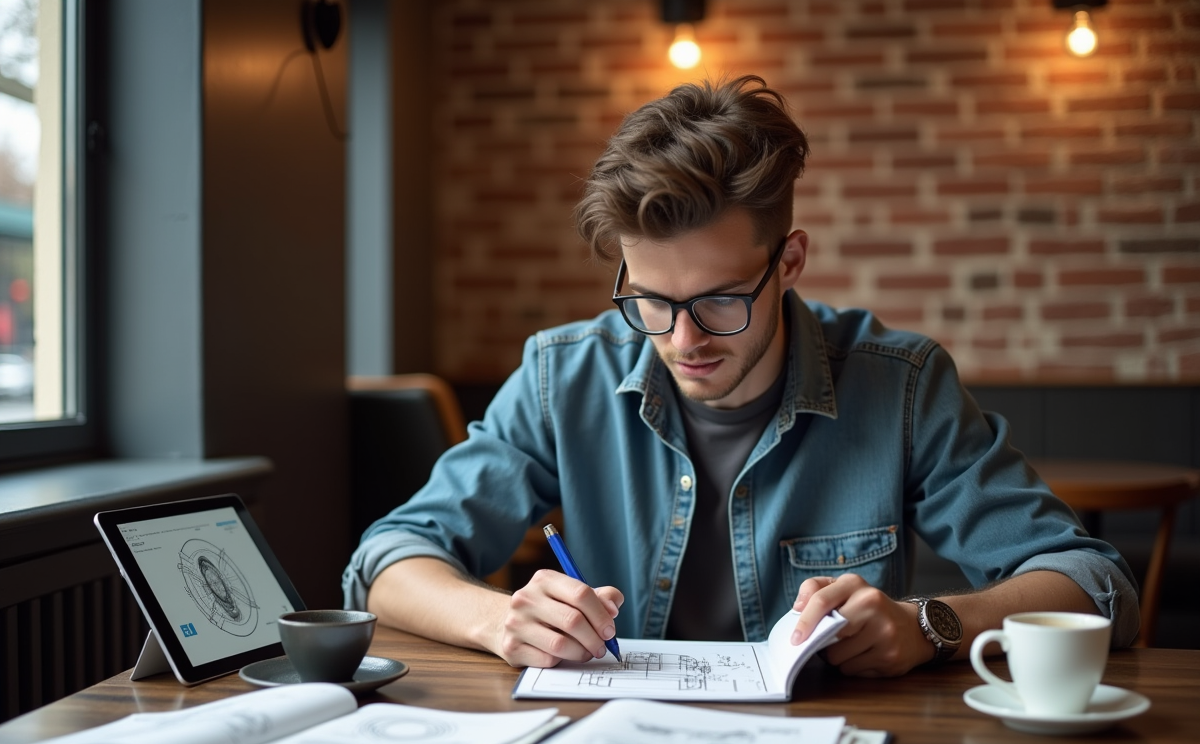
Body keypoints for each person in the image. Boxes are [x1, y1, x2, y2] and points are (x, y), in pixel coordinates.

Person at [343, 75, 1139, 677]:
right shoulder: (564, 375)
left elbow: (1093, 580)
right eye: (650, 300)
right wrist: (498, 620)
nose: (683, 338)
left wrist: (930, 623)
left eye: (720, 300)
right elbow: (389, 560)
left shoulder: (900, 386)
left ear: (788, 262)